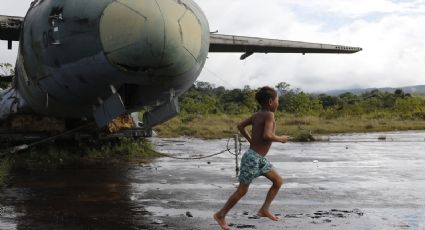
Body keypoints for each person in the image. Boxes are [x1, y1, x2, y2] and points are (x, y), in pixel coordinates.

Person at [213, 86, 289, 230]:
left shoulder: (257, 115)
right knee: (242, 190)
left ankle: (264, 209)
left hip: (258, 158)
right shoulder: (269, 115)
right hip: (253, 158)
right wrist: (281, 139)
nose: (278, 103)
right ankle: (220, 215)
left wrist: (251, 141)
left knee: (278, 181)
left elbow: (241, 126)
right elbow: (267, 136)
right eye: (277, 100)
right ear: (271, 101)